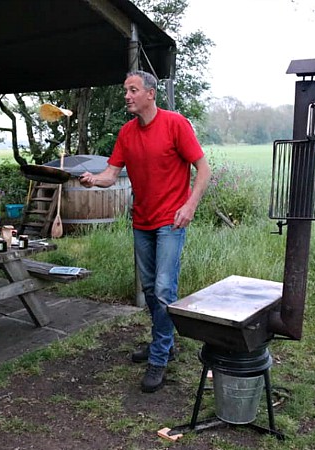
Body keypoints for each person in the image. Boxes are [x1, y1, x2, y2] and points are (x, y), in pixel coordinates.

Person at [79, 70, 211, 393]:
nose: (127, 95)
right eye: (126, 90)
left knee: (165, 290)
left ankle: (159, 358)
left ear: (150, 94)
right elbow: (111, 173)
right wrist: (94, 179)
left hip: (171, 221)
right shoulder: (126, 133)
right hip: (142, 221)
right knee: (151, 290)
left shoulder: (175, 124)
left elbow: (203, 168)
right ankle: (163, 342)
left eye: (133, 90)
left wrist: (190, 205)